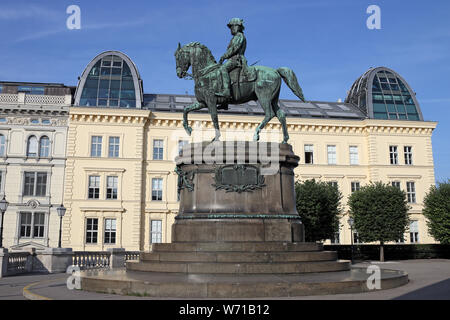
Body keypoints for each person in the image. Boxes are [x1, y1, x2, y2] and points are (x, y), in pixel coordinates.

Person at [217, 18, 247, 101]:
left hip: (236, 59)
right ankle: (224, 102)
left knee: (222, 69)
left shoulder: (239, 36)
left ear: (237, 26)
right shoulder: (236, 37)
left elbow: (234, 48)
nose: (231, 29)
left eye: (232, 27)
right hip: (234, 59)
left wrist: (224, 56)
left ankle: (226, 91)